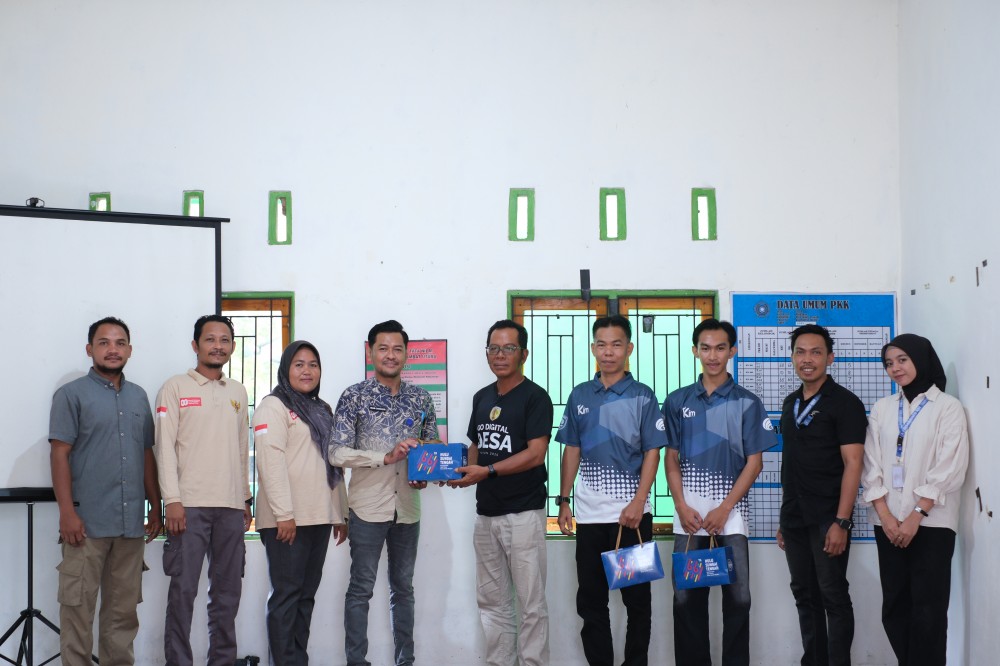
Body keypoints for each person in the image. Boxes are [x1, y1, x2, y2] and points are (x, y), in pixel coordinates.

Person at [49, 317, 161, 666]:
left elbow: (146, 454)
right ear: (90, 349)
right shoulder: (70, 395)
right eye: (104, 342)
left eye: (120, 343)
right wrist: (67, 513)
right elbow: (59, 454)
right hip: (85, 526)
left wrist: (155, 506)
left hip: (130, 528)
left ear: (129, 350)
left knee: (122, 618)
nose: (113, 349)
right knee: (77, 615)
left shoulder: (139, 396)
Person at [662, 318, 775, 666]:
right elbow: (670, 458)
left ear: (732, 351)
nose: (713, 356)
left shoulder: (747, 402)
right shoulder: (677, 400)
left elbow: (755, 463)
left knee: (739, 601)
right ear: (695, 351)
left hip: (732, 521)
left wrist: (725, 508)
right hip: (689, 522)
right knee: (686, 602)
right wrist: (681, 506)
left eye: (720, 348)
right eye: (706, 348)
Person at [555, 314, 666, 666]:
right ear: (593, 348)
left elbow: (653, 452)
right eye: (601, 345)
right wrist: (564, 501)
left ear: (629, 348)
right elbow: (571, 449)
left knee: (637, 603)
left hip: (631, 519)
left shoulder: (642, 396)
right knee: (591, 602)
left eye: (616, 344)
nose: (608, 352)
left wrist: (638, 502)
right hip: (589, 518)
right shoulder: (580, 395)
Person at [329, 319, 439, 666]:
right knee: (360, 590)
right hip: (366, 508)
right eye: (383, 348)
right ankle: (356, 661)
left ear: (406, 354)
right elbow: (336, 452)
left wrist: (424, 471)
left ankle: (405, 661)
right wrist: (384, 457)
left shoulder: (421, 398)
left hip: (407, 508)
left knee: (403, 589)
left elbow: (433, 445)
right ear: (371, 352)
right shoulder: (354, 396)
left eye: (397, 349)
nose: (391, 355)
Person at [448, 319, 554, 666]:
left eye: (509, 348)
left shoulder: (536, 397)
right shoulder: (482, 397)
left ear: (524, 354)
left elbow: (536, 454)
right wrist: (463, 472)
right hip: (486, 516)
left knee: (531, 604)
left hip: (523, 514)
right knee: (492, 603)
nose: (500, 355)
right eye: (494, 348)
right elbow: (477, 447)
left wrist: (488, 471)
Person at [861, 334, 969, 666]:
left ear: (921, 359)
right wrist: (885, 515)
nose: (895, 368)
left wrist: (916, 515)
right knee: (894, 605)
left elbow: (949, 467)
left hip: (932, 523)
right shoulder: (882, 408)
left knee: (929, 609)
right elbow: (871, 463)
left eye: (902, 360)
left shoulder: (947, 407)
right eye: (889, 363)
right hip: (887, 522)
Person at [154, 314, 251, 666]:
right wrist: (172, 501)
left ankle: (221, 661)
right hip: (188, 507)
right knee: (183, 594)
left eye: (224, 340)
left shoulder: (238, 392)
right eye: (210, 339)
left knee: (227, 596)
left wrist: (245, 499)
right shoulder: (175, 388)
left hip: (230, 508)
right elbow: (164, 447)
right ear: (195, 345)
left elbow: (241, 449)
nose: (217, 346)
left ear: (233, 347)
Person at [253, 340, 349, 665]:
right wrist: (284, 514)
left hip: (318, 516)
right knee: (286, 597)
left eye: (313, 364)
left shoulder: (322, 409)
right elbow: (270, 462)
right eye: (299, 364)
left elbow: (332, 463)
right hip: (287, 521)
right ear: (286, 369)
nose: (307, 371)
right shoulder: (273, 406)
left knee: (305, 598)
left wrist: (340, 512)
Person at [776, 324, 867, 666]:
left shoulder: (845, 403)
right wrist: (785, 518)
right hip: (795, 517)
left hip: (829, 517)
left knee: (833, 596)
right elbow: (791, 464)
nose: (807, 359)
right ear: (792, 357)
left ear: (830, 358)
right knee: (804, 594)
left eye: (816, 352)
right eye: (800, 352)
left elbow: (853, 464)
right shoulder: (790, 403)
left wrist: (841, 522)